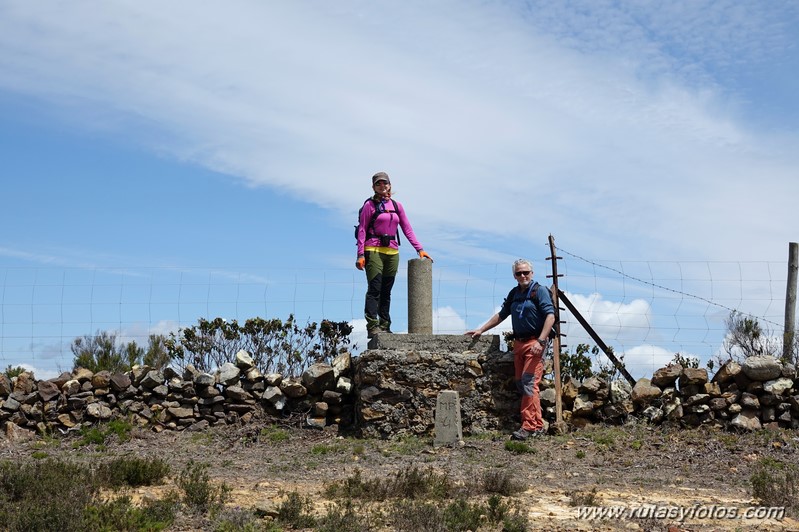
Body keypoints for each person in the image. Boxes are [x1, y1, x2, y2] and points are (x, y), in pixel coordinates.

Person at [465, 259, 555, 440]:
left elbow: (550, 317)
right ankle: (537, 425)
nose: (523, 276)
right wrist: (481, 329)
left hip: (535, 343)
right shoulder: (514, 293)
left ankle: (528, 426)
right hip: (519, 343)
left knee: (529, 383)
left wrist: (540, 340)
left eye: (526, 272)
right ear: (514, 276)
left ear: (532, 273)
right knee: (522, 383)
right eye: (519, 273)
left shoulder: (540, 291)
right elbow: (502, 314)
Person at [356, 172, 433, 338]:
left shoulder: (397, 206)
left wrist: (419, 249)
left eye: (385, 183)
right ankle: (372, 325)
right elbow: (362, 229)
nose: (382, 186)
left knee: (386, 290)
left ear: (390, 185)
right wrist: (360, 254)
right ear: (374, 187)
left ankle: (385, 325)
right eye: (378, 184)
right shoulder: (369, 206)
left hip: (392, 251)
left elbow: (407, 228)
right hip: (373, 249)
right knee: (375, 288)